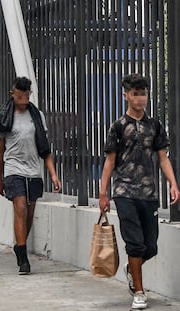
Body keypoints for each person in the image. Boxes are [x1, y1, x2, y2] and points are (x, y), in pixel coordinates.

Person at [99, 73, 180, 310]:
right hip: (124, 192)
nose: (140, 98)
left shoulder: (154, 126)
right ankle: (140, 292)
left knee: (150, 247)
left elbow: (163, 158)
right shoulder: (118, 126)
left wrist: (173, 184)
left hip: (149, 193)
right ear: (126, 96)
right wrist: (103, 193)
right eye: (135, 94)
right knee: (135, 244)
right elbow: (109, 162)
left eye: (143, 93)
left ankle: (131, 268)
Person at [0, 77, 61, 275]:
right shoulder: (5, 116)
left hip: (33, 170)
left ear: (30, 94)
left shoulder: (36, 115)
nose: (23, 99)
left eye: (26, 95)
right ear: (12, 93)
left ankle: (19, 245)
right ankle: (23, 258)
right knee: (20, 208)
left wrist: (53, 175)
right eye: (19, 95)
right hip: (13, 169)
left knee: (29, 213)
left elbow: (44, 148)